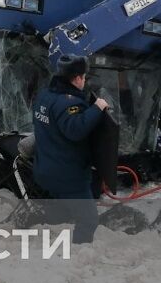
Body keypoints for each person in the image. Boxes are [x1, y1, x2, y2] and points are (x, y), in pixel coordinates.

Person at [31, 54, 109, 244]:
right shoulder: (69, 103)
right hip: (69, 176)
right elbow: (75, 130)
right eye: (84, 77)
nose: (84, 81)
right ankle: (78, 256)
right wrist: (97, 108)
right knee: (89, 220)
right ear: (77, 78)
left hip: (45, 169)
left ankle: (39, 236)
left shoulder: (44, 96)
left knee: (60, 211)